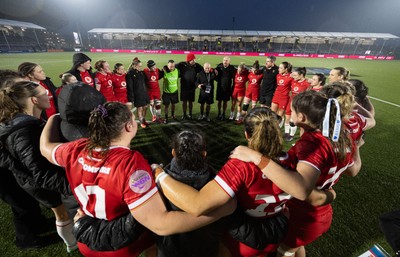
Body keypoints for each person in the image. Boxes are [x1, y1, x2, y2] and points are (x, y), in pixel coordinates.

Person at [40, 101, 234, 257]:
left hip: (86, 236)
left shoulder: (77, 148)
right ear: (129, 126)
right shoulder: (131, 164)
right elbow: (161, 224)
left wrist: (55, 117)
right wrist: (216, 213)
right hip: (120, 243)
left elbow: (45, 147)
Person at [230, 90, 362, 257]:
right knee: (295, 248)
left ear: (301, 117)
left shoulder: (313, 143)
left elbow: (301, 191)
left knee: (284, 252)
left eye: (292, 111)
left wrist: (257, 158)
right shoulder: (339, 136)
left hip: (305, 214)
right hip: (318, 212)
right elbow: (353, 170)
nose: (289, 113)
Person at [154, 107, 299, 257]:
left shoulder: (240, 166)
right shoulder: (294, 160)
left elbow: (197, 205)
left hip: (243, 239)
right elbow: (301, 190)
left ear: (247, 134)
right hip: (276, 229)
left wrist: (158, 174)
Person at [0, 81, 77, 252]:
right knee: (62, 213)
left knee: (61, 211)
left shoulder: (22, 122)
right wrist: (71, 187)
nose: (49, 95)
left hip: (32, 180)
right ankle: (71, 244)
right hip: (39, 183)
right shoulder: (24, 131)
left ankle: (71, 243)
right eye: (44, 93)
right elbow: (40, 173)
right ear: (34, 100)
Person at [0, 70, 54, 250]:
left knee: (28, 200)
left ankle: (38, 222)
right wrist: (17, 169)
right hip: (5, 172)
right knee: (21, 204)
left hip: (14, 166)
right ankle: (26, 240)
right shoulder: (16, 123)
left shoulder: (12, 112)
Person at [284, 67, 310, 142]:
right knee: (287, 118)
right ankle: (286, 133)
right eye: (293, 75)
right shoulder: (293, 80)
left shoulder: (307, 83)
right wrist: (291, 75)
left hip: (298, 104)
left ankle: (291, 135)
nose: (293, 77)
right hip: (290, 102)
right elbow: (287, 77)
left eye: (295, 75)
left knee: (293, 121)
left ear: (301, 75)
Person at [176, 53, 203, 120]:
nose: (194, 61)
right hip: (184, 87)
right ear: (189, 60)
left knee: (191, 101)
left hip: (192, 87)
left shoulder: (197, 66)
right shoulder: (182, 64)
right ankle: (184, 114)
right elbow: (173, 66)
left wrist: (212, 70)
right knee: (184, 101)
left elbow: (204, 70)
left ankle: (190, 114)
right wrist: (165, 67)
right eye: (193, 59)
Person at [126, 57, 150, 128]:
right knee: (140, 108)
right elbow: (130, 86)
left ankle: (143, 119)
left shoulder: (141, 72)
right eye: (139, 66)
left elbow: (146, 81)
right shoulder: (130, 74)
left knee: (145, 106)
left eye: (141, 66)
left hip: (144, 93)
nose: (140, 67)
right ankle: (141, 122)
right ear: (134, 66)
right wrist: (131, 97)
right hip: (137, 94)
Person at [271, 61, 294, 126]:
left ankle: (277, 128)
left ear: (286, 69)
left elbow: (300, 76)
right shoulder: (278, 75)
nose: (279, 69)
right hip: (276, 96)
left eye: (281, 68)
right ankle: (272, 126)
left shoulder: (291, 77)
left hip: (284, 98)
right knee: (272, 113)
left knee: (280, 115)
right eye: (279, 68)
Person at [215, 56, 236, 121]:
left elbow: (236, 75)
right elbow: (214, 73)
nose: (225, 61)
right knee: (219, 101)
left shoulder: (232, 68)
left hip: (227, 88)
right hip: (220, 87)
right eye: (224, 60)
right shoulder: (219, 66)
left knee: (225, 101)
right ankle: (219, 113)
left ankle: (223, 114)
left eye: (226, 60)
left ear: (229, 62)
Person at [162, 60, 179, 124]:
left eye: (173, 66)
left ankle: (172, 115)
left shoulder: (177, 70)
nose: (172, 68)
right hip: (166, 92)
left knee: (173, 104)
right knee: (166, 106)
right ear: (167, 66)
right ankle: (166, 118)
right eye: (170, 66)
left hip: (175, 92)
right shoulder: (164, 71)